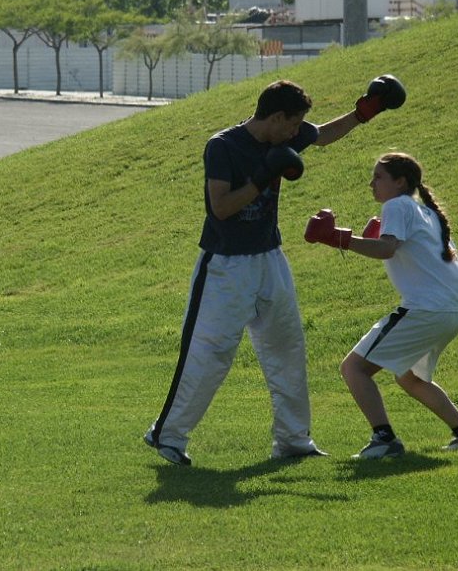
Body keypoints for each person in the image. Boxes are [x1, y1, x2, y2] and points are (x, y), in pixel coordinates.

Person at [144, 77, 406, 465]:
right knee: (209, 353)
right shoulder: (223, 146)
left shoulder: (283, 138)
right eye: (294, 123)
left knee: (287, 348)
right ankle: (167, 436)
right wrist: (262, 177)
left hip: (269, 258)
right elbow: (220, 208)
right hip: (224, 265)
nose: (297, 132)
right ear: (277, 116)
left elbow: (323, 136)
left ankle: (293, 439)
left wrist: (364, 112)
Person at [304, 152, 458, 459]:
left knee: (354, 368)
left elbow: (387, 249)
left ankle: (384, 439)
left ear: (400, 182)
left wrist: (337, 238)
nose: (371, 183)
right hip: (451, 310)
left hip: (426, 308)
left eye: (378, 177)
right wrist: (358, 240)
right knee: (410, 377)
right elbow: (400, 250)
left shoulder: (397, 205)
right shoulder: (424, 211)